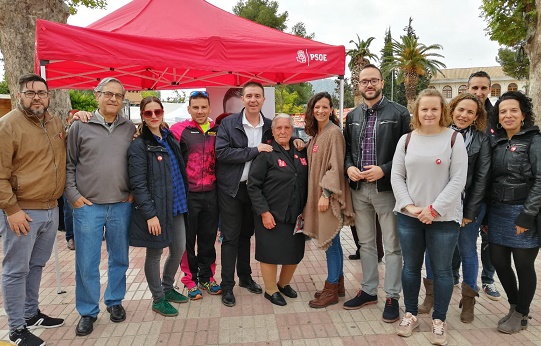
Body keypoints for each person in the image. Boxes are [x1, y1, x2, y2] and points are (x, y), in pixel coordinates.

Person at [391, 89, 467, 345]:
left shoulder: (454, 139)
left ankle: (439, 319)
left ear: (442, 111)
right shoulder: (406, 140)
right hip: (410, 216)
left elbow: (458, 180)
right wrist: (410, 207)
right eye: (424, 109)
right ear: (417, 112)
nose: (429, 113)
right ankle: (410, 314)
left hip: (444, 219)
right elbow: (397, 176)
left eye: (434, 108)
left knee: (442, 270)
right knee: (410, 267)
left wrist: (433, 209)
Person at [65, 77, 136, 336]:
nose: (113, 99)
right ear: (97, 95)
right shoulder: (80, 126)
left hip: (121, 205)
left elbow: (136, 163)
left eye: (118, 95)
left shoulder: (130, 128)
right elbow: (69, 164)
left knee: (120, 259)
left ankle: (115, 301)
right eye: (108, 94)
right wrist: (73, 196)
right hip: (88, 207)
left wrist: (132, 194)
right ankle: (87, 311)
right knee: (86, 262)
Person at [0, 73, 66, 346]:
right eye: (30, 92)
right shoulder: (7, 126)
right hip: (22, 211)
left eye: (41, 92)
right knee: (16, 270)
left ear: (48, 96)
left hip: (51, 209)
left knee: (36, 265)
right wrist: (11, 208)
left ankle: (30, 314)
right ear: (20, 95)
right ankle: (16, 329)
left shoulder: (53, 121)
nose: (36, 96)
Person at [343, 64, 410, 322]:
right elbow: (347, 149)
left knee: (393, 247)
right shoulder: (353, 116)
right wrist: (349, 167)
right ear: (358, 86)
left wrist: (384, 170)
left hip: (387, 189)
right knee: (365, 244)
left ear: (381, 83)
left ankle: (392, 296)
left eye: (373, 80)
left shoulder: (399, 113)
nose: (368, 85)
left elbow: (408, 152)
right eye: (363, 81)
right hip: (359, 189)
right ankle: (369, 291)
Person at [420, 93, 490, 323]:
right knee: (432, 249)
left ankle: (468, 301)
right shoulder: (440, 133)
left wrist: (469, 213)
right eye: (461, 109)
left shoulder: (481, 139)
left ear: (477, 116)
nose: (464, 115)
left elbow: (481, 179)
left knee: (468, 250)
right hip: (437, 205)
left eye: (470, 112)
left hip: (467, 205)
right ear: (452, 109)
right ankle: (430, 296)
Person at [127, 96, 189, 317]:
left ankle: (168, 287)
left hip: (177, 204)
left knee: (179, 248)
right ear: (142, 116)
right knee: (154, 254)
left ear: (162, 112)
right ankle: (158, 298)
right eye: (148, 113)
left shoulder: (169, 137)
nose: (154, 116)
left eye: (157, 111)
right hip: (156, 208)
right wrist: (150, 215)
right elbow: (138, 183)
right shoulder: (139, 145)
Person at [486, 91, 541, 334]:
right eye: (503, 111)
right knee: (498, 261)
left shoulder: (534, 140)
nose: (508, 115)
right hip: (498, 211)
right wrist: (486, 216)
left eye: (513, 111)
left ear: (523, 115)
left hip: (524, 211)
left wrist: (527, 215)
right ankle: (514, 305)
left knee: (523, 265)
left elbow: (540, 180)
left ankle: (522, 312)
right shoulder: (496, 141)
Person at [214, 82, 272, 307]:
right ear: (243, 99)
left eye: (257, 96)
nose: (253, 100)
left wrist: (296, 142)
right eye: (249, 96)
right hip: (231, 189)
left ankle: (245, 277)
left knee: (246, 236)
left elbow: (279, 144)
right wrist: (254, 151)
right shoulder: (229, 123)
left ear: (263, 100)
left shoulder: (269, 125)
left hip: (255, 191)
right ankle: (227, 285)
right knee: (230, 238)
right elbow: (222, 152)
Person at [247, 113, 308, 306]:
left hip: (296, 213)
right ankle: (271, 289)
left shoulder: (300, 151)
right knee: (270, 253)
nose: (283, 131)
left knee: (295, 253)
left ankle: (283, 284)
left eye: (287, 128)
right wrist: (264, 212)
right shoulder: (266, 153)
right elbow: (253, 185)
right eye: (279, 128)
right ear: (272, 131)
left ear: (292, 130)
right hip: (271, 214)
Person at [303, 92, 355, 309]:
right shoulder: (317, 133)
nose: (321, 111)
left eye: (325, 107)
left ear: (331, 109)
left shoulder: (334, 133)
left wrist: (325, 194)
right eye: (317, 107)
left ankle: (331, 288)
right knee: (333, 242)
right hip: (319, 196)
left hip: (328, 196)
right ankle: (338, 284)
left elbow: (336, 165)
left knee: (331, 243)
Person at [170, 91, 222, 300]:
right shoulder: (177, 130)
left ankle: (207, 277)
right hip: (188, 195)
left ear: (210, 108)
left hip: (212, 194)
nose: (200, 111)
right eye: (196, 107)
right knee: (188, 240)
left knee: (208, 239)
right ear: (189, 109)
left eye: (203, 107)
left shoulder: (218, 131)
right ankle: (189, 280)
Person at [466, 70, 501, 301]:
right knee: (464, 241)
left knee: (490, 239)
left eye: (483, 88)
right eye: (475, 88)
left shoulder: (498, 115)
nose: (479, 92)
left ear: (489, 89)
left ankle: (488, 280)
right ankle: (460, 279)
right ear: (468, 89)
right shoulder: (460, 114)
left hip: (494, 192)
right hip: (468, 192)